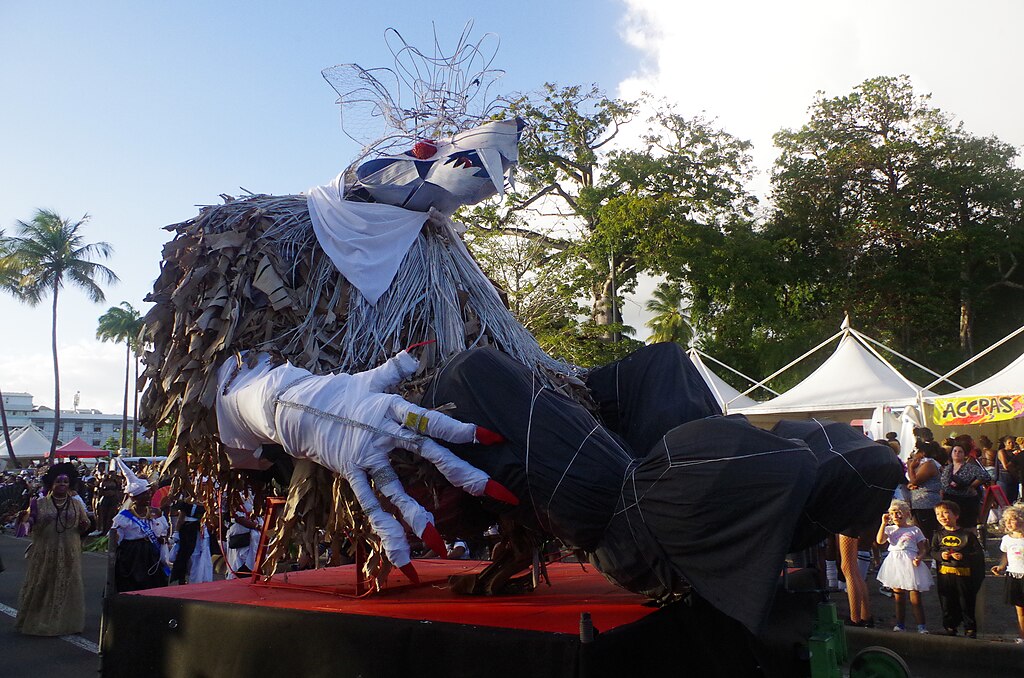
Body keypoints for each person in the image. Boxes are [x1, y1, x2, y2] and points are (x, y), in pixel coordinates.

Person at [15, 462, 91, 636]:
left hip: (69, 549)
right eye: (58, 481)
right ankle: (40, 618)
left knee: (67, 583)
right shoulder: (39, 503)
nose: (62, 485)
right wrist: (24, 520)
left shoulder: (76, 503)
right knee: (44, 582)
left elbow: (84, 524)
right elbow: (30, 524)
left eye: (65, 482)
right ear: (51, 483)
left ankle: (65, 621)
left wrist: (84, 525)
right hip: (46, 549)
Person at [875, 499, 932, 633]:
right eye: (892, 513)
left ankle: (921, 626)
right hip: (895, 563)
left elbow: (923, 548)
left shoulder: (915, 530)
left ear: (907, 514)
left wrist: (920, 557)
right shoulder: (890, 529)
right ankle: (900, 624)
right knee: (898, 596)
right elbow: (880, 541)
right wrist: (883, 524)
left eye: (899, 513)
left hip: (911, 563)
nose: (895, 516)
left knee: (915, 596)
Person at [931, 500, 984, 638]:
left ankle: (970, 628)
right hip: (945, 574)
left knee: (966, 601)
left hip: (964, 575)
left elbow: (978, 554)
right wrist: (941, 555)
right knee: (947, 601)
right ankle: (950, 626)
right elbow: (933, 551)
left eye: (946, 513)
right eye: (938, 514)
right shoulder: (937, 535)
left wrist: (963, 556)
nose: (942, 516)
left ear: (956, 515)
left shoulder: (968, 535)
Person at [110, 472, 168, 592]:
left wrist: (162, 539)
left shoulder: (155, 513)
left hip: (151, 553)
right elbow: (117, 538)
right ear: (134, 498)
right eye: (144, 495)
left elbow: (162, 531)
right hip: (131, 554)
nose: (148, 496)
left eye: (149, 494)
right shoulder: (124, 517)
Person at [991, 505, 1024, 644]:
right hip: (1014, 575)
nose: (1008, 523)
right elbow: (1005, 555)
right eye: (1006, 520)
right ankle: (1022, 637)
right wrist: (1001, 566)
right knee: (1020, 610)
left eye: (1012, 520)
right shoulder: (1006, 539)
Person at [939, 445, 989, 533]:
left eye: (960, 451)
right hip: (950, 499)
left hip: (966, 500)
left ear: (964, 455)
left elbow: (985, 476)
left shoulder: (970, 467)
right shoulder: (948, 468)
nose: (957, 453)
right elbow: (943, 484)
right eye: (955, 451)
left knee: (967, 525)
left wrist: (972, 486)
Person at [907, 441, 942, 543]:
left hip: (927, 503)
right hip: (919, 503)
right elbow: (912, 482)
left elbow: (915, 480)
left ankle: (932, 551)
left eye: (915, 451)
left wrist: (910, 467)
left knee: (928, 531)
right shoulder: (922, 464)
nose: (913, 454)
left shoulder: (929, 464)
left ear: (922, 453)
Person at [997, 436, 1022, 504]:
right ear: (1005, 443)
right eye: (1009, 442)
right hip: (1004, 480)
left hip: (1014, 480)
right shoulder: (1001, 452)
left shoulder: (1015, 453)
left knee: (1014, 501)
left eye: (1013, 442)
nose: (1011, 444)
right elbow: (1006, 466)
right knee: (1005, 502)